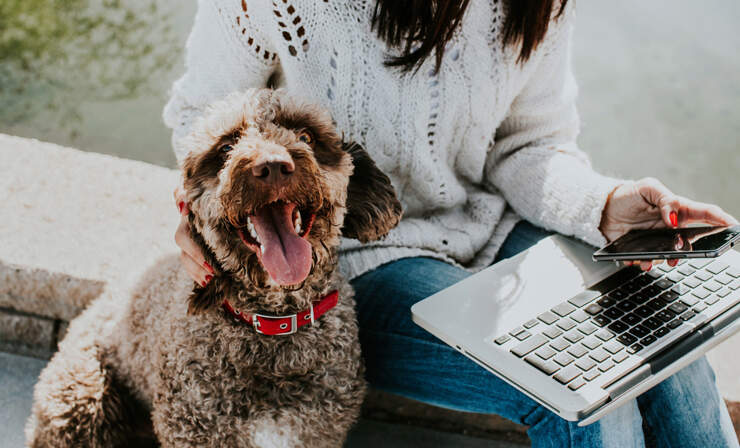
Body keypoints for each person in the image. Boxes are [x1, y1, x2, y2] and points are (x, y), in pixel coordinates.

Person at [165, 1, 739, 446]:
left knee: (671, 341)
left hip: (491, 225)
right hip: (356, 253)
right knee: (582, 391)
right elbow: (199, 116)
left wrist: (606, 207)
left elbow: (528, 145)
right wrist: (198, 211)